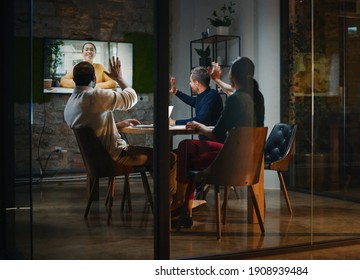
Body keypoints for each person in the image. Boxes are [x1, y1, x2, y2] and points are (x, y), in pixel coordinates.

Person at [64, 57, 177, 202]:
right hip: (117, 156)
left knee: (157, 160)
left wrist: (116, 124)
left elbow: (90, 128)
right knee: (169, 157)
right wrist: (119, 78)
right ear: (94, 79)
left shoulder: (71, 103)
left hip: (98, 161)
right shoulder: (94, 95)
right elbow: (131, 98)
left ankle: (162, 200)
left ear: (74, 80)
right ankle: (170, 204)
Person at [172, 57, 265, 228]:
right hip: (250, 160)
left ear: (232, 76)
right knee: (188, 153)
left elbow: (216, 134)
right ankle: (184, 206)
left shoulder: (235, 99)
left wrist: (200, 127)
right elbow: (233, 91)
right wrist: (216, 79)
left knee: (185, 148)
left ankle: (180, 203)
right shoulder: (257, 96)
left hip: (231, 160)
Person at [169, 67, 223, 139]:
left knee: (184, 145)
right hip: (206, 141)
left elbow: (200, 120)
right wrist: (176, 91)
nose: (189, 84)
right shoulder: (205, 95)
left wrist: (174, 122)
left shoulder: (212, 96)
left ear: (197, 83)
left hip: (213, 142)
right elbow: (192, 101)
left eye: (191, 81)